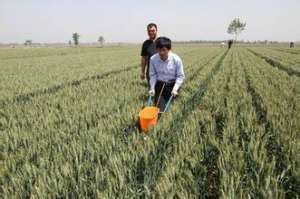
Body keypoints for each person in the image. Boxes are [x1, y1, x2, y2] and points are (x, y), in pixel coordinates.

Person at [149, 37, 185, 112]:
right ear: (156, 49)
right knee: (160, 109)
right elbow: (153, 75)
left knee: (172, 108)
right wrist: (152, 88)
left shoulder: (176, 59)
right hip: (160, 85)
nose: (161, 53)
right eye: (159, 50)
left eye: (164, 50)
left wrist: (175, 89)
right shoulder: (153, 59)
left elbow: (180, 76)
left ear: (169, 49)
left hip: (172, 85)